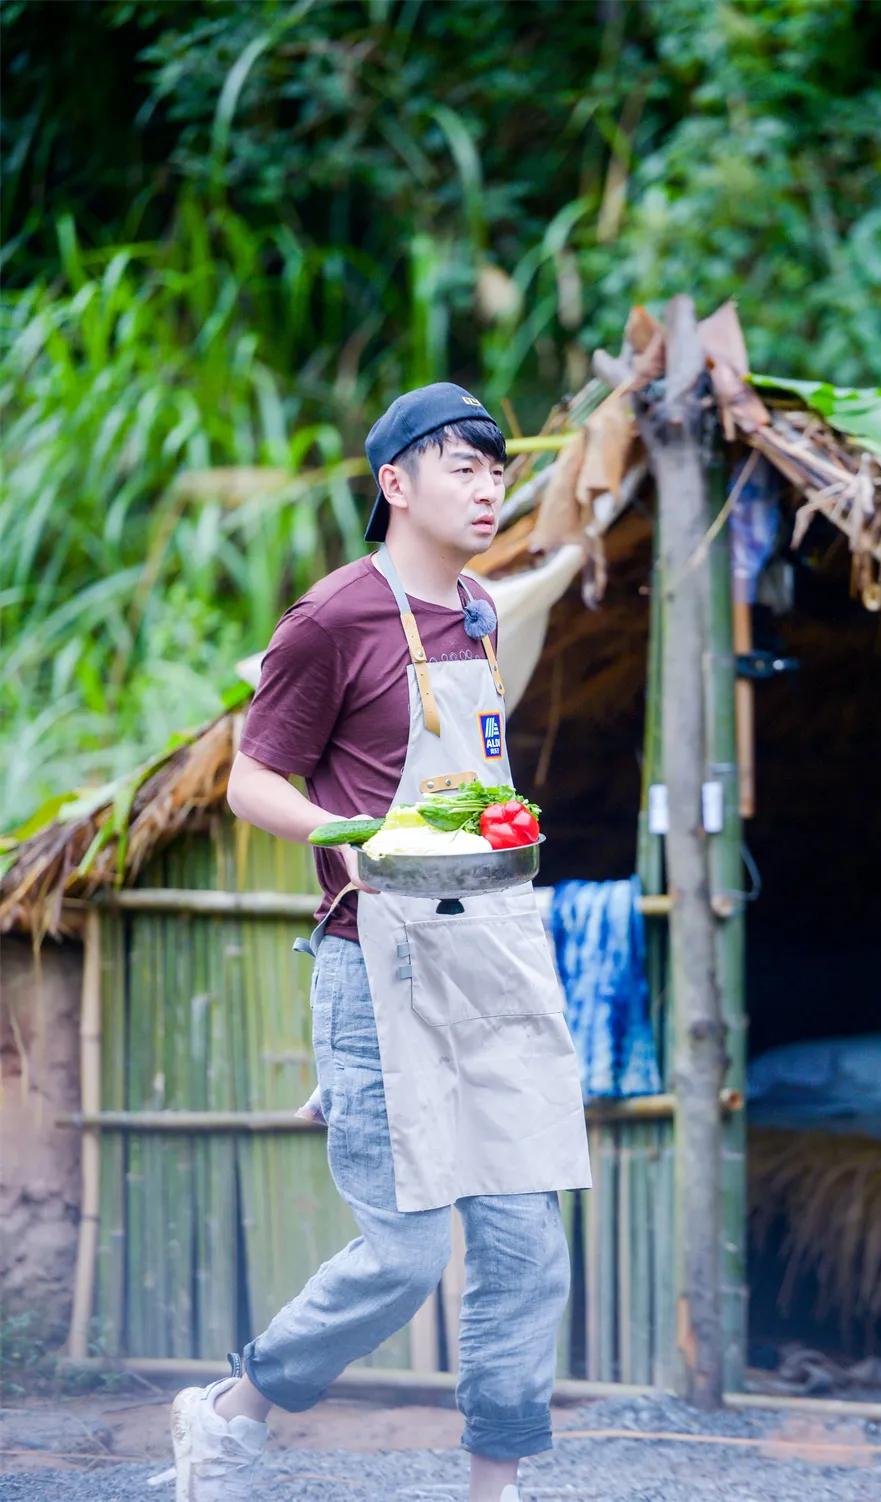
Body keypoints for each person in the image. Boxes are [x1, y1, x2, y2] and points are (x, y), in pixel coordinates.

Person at [162, 382, 592, 1502]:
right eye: (462, 464)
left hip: (487, 957)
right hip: (374, 960)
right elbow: (254, 778)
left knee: (524, 1248)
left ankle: (492, 1487)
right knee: (405, 1257)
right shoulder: (331, 617)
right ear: (394, 483)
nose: (490, 484)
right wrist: (338, 835)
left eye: (497, 467)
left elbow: (467, 789)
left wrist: (499, 830)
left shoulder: (485, 615)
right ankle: (231, 1407)